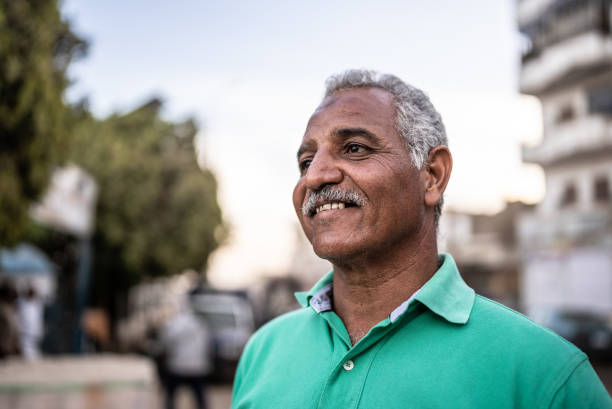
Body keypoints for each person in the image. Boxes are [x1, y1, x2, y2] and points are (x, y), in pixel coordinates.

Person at [231, 70, 612, 408]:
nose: (314, 177)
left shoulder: (546, 376)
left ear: (432, 175)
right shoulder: (262, 352)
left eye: (354, 149)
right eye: (305, 162)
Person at [158, 297, 213, 409]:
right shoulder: (200, 324)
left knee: (170, 396)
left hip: (177, 366)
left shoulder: (173, 324)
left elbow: (165, 343)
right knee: (200, 398)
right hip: (198, 367)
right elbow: (208, 344)